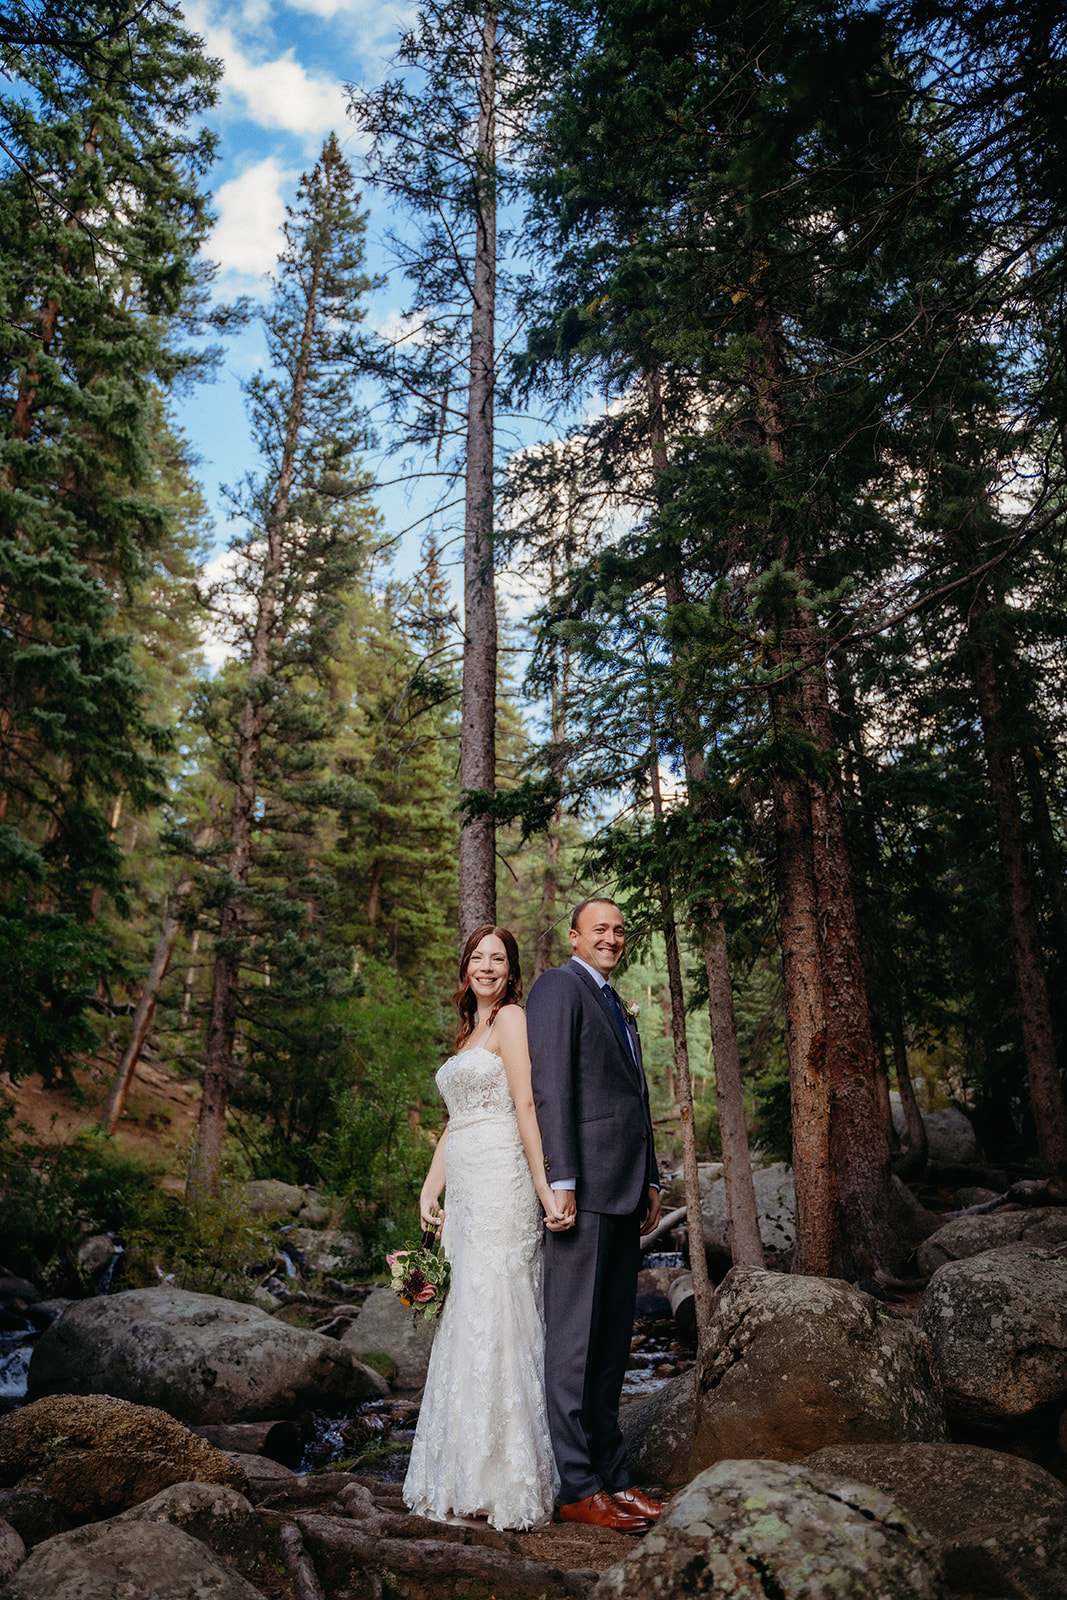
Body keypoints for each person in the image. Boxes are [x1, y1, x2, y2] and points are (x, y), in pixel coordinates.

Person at [403, 924, 565, 1531]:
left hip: (503, 1181)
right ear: (465, 967)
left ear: (511, 968)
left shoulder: (513, 1021)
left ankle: (507, 1478)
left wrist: (546, 1188)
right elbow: (454, 1121)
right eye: (478, 958)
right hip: (465, 1189)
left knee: (499, 1309)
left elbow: (525, 1104)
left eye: (498, 959)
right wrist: (429, 1187)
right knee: (464, 1314)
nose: (487, 967)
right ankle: (461, 1471)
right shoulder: (468, 1030)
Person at [526, 897, 665, 1534]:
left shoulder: (617, 1002)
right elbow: (551, 1086)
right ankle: (577, 1487)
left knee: (612, 1347)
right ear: (576, 936)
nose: (611, 938)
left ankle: (614, 1477)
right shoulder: (559, 987)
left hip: (625, 1188)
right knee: (575, 1346)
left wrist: (652, 1181)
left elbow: (634, 1096)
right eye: (599, 929)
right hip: (581, 1193)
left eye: (618, 930)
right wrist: (560, 1181)